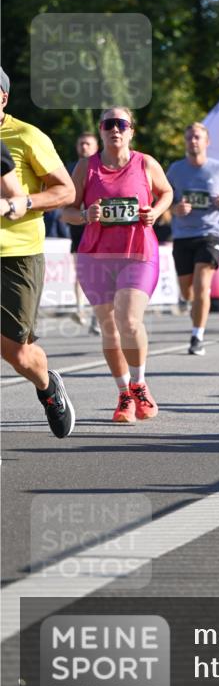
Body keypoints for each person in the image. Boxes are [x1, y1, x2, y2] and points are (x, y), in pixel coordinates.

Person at [62, 106, 173, 423]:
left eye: (121, 124)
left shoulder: (145, 163)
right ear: (100, 130)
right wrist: (86, 215)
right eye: (109, 124)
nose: (115, 129)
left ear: (131, 131)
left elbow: (167, 192)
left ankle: (139, 384)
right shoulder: (86, 167)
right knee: (109, 327)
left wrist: (156, 211)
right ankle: (124, 394)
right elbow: (66, 211)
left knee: (129, 320)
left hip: (138, 253)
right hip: (96, 255)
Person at [0, 69, 76, 438]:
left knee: (18, 354)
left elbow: (66, 191)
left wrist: (24, 202)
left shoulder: (27, 136)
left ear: (2, 97)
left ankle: (47, 387)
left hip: (18, 254)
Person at [166, 122, 219, 355]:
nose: (193, 141)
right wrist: (175, 208)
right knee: (187, 292)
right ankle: (191, 304)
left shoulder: (218, 169)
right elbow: (164, 198)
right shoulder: (176, 170)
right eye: (189, 137)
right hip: (183, 235)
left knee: (202, 286)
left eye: (197, 137)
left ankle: (197, 336)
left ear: (207, 142)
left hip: (210, 233)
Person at [68, 131, 101, 332]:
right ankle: (80, 309)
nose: (84, 147)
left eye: (88, 143)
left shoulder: (102, 167)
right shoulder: (70, 169)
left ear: (96, 147)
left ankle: (98, 316)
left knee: (100, 274)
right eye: (81, 143)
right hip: (78, 227)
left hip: (100, 228)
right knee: (81, 272)